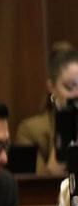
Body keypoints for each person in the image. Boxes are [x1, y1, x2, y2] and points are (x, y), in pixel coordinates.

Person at [15, 47, 78, 175]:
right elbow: (41, 186)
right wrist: (65, 130)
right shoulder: (30, 130)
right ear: (52, 87)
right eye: (70, 87)